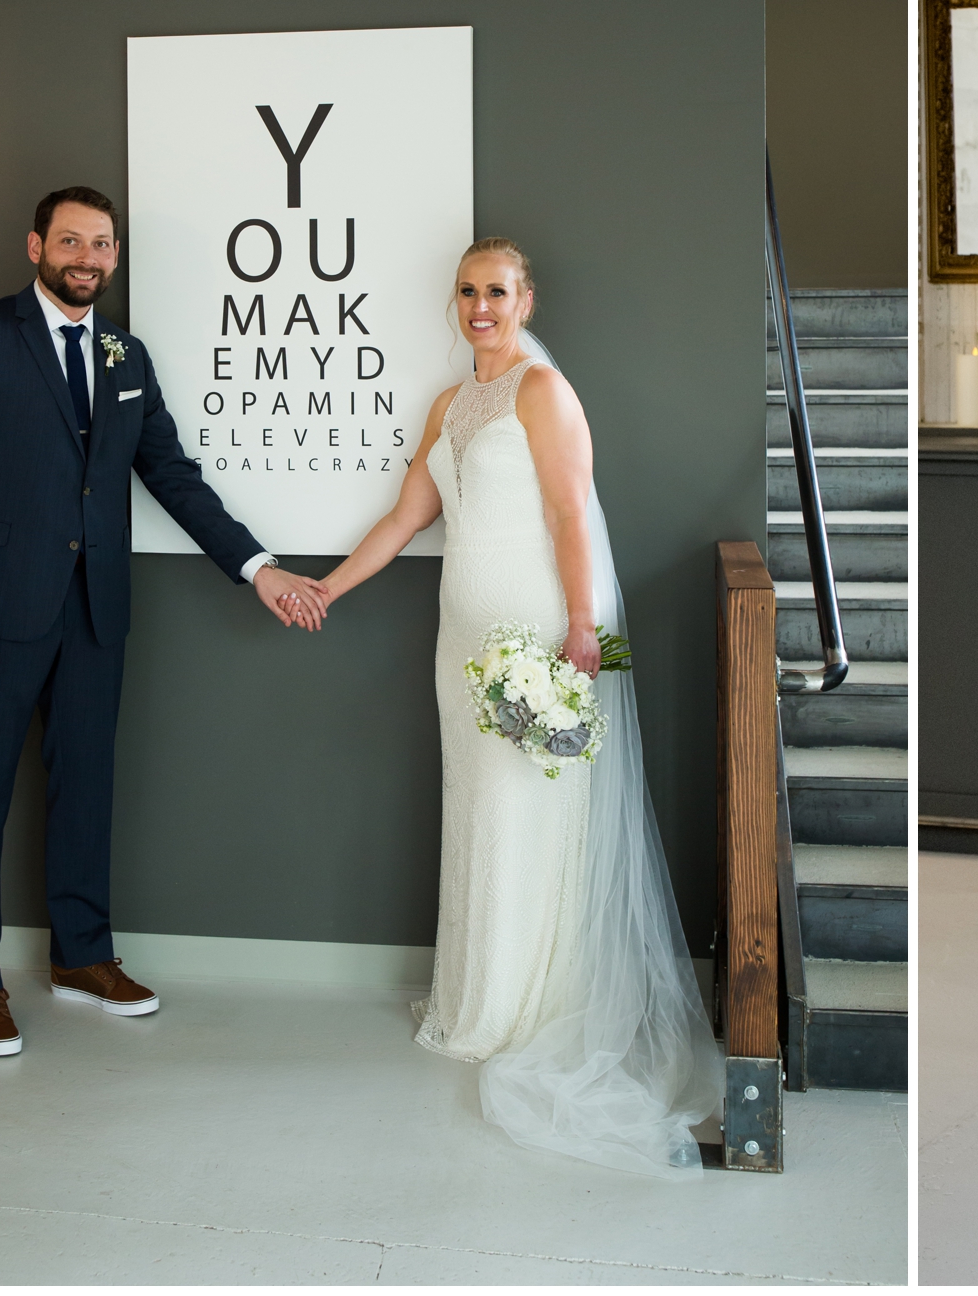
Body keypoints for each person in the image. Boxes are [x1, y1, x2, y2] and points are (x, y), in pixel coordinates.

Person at [309, 238, 720, 1178]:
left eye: (497, 291)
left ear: (526, 299)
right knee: (479, 810)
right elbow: (408, 516)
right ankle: (477, 999)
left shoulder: (543, 392)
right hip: (463, 639)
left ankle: (534, 1007)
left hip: (536, 629)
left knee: (527, 811)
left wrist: (583, 627)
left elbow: (574, 513)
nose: (481, 306)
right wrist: (330, 590)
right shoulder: (450, 404)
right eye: (467, 292)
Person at [0, 187, 330, 1058]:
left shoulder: (123, 351)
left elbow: (171, 474)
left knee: (86, 790)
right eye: (71, 241)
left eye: (102, 245)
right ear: (35, 246)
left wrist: (256, 567)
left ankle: (82, 957)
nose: (88, 257)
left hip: (97, 611)